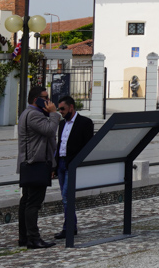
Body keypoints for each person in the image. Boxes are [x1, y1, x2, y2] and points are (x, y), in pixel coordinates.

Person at [16, 85, 61, 248]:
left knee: (27, 201)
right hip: (35, 164)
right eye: (46, 98)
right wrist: (54, 114)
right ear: (36, 100)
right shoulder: (34, 115)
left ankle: (24, 238)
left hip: (31, 163)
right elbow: (49, 130)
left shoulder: (29, 113)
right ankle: (33, 238)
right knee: (33, 203)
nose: (49, 101)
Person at [54, 95, 95, 240]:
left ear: (71, 107)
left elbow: (88, 145)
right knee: (65, 196)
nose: (61, 112)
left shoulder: (85, 122)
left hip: (73, 164)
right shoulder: (61, 124)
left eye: (63, 109)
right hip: (61, 164)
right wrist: (55, 165)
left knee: (67, 196)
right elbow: (60, 144)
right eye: (59, 109)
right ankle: (72, 226)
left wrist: (80, 163)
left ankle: (69, 228)